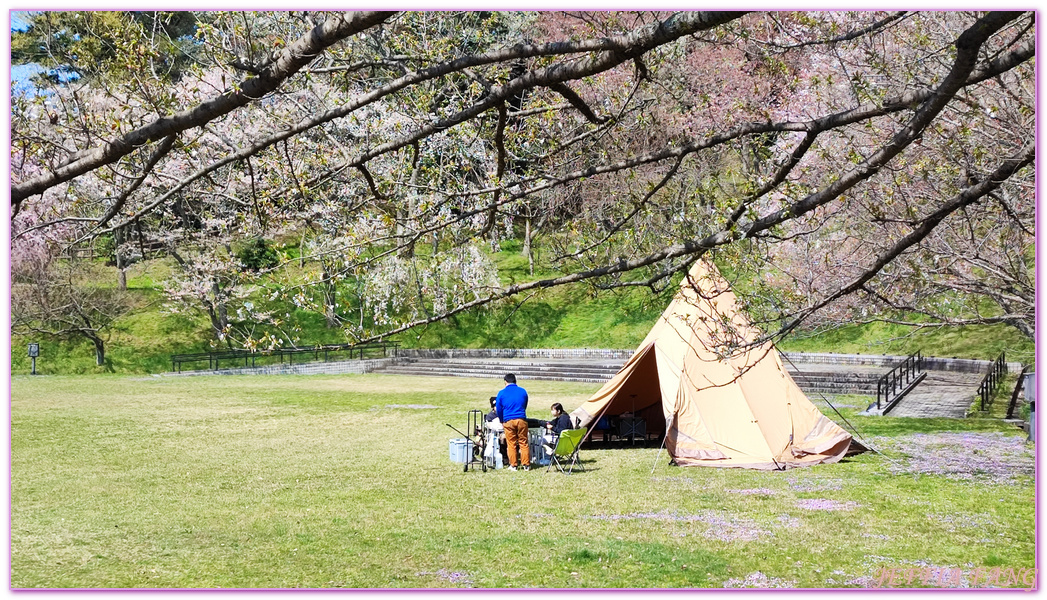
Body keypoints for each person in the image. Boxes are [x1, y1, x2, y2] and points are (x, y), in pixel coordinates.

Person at [495, 373, 529, 471]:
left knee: (511, 443)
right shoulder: (523, 391)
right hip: (521, 418)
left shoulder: (501, 393)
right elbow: (525, 404)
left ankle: (513, 465)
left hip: (508, 420)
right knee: (523, 442)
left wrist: (502, 420)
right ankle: (526, 464)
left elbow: (499, 409)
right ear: (515, 381)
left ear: (505, 382)